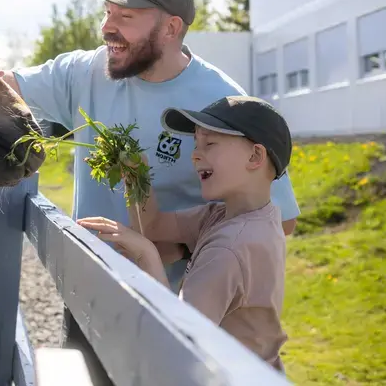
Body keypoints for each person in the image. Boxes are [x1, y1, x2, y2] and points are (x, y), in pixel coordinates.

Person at [0, 0, 300, 384]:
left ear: (171, 27)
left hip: (177, 306)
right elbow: (4, 88)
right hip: (89, 289)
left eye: (126, 16)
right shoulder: (84, 71)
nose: (107, 27)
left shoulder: (223, 103)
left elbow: (278, 220)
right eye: (106, 14)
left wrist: (194, 257)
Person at [77, 94, 291, 373]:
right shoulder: (233, 216)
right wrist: (135, 174)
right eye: (196, 144)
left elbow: (176, 337)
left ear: (255, 156)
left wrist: (145, 253)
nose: (195, 154)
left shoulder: (229, 248)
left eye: (210, 143)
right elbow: (153, 226)